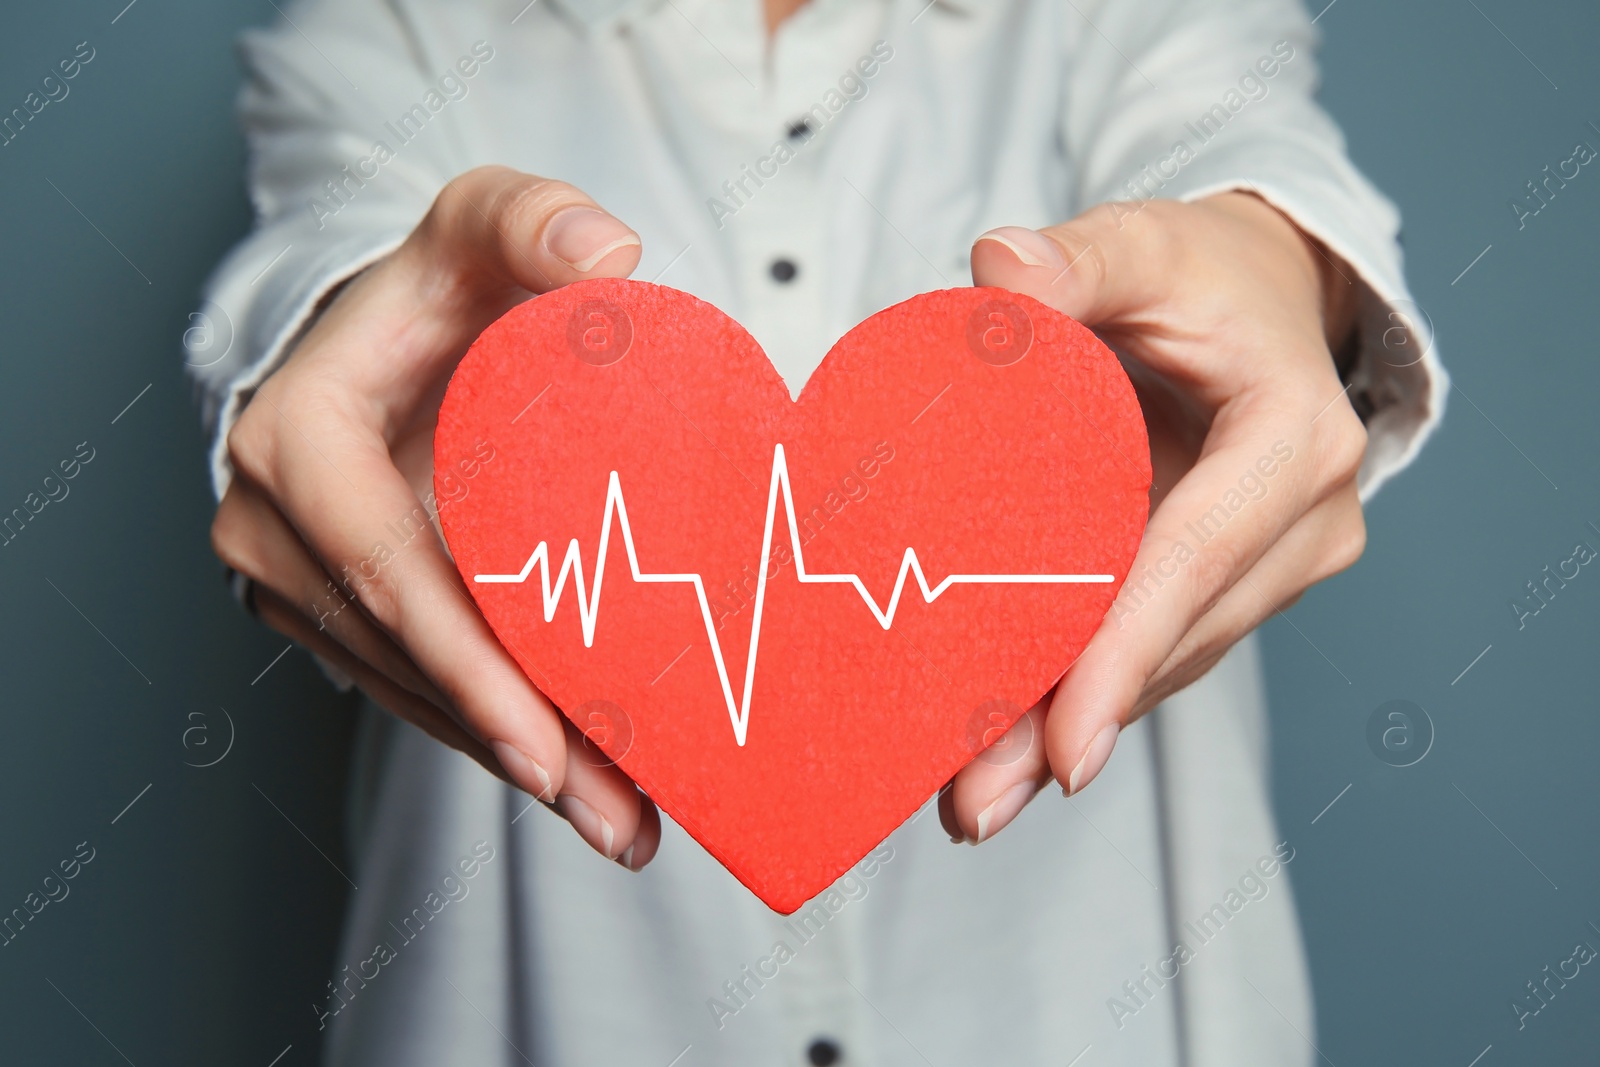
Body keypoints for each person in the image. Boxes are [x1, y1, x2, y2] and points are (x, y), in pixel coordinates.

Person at [196, 0, 1444, 1062]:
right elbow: (334, 240)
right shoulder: (398, 27)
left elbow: (1244, 142)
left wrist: (1280, 266)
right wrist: (333, 358)